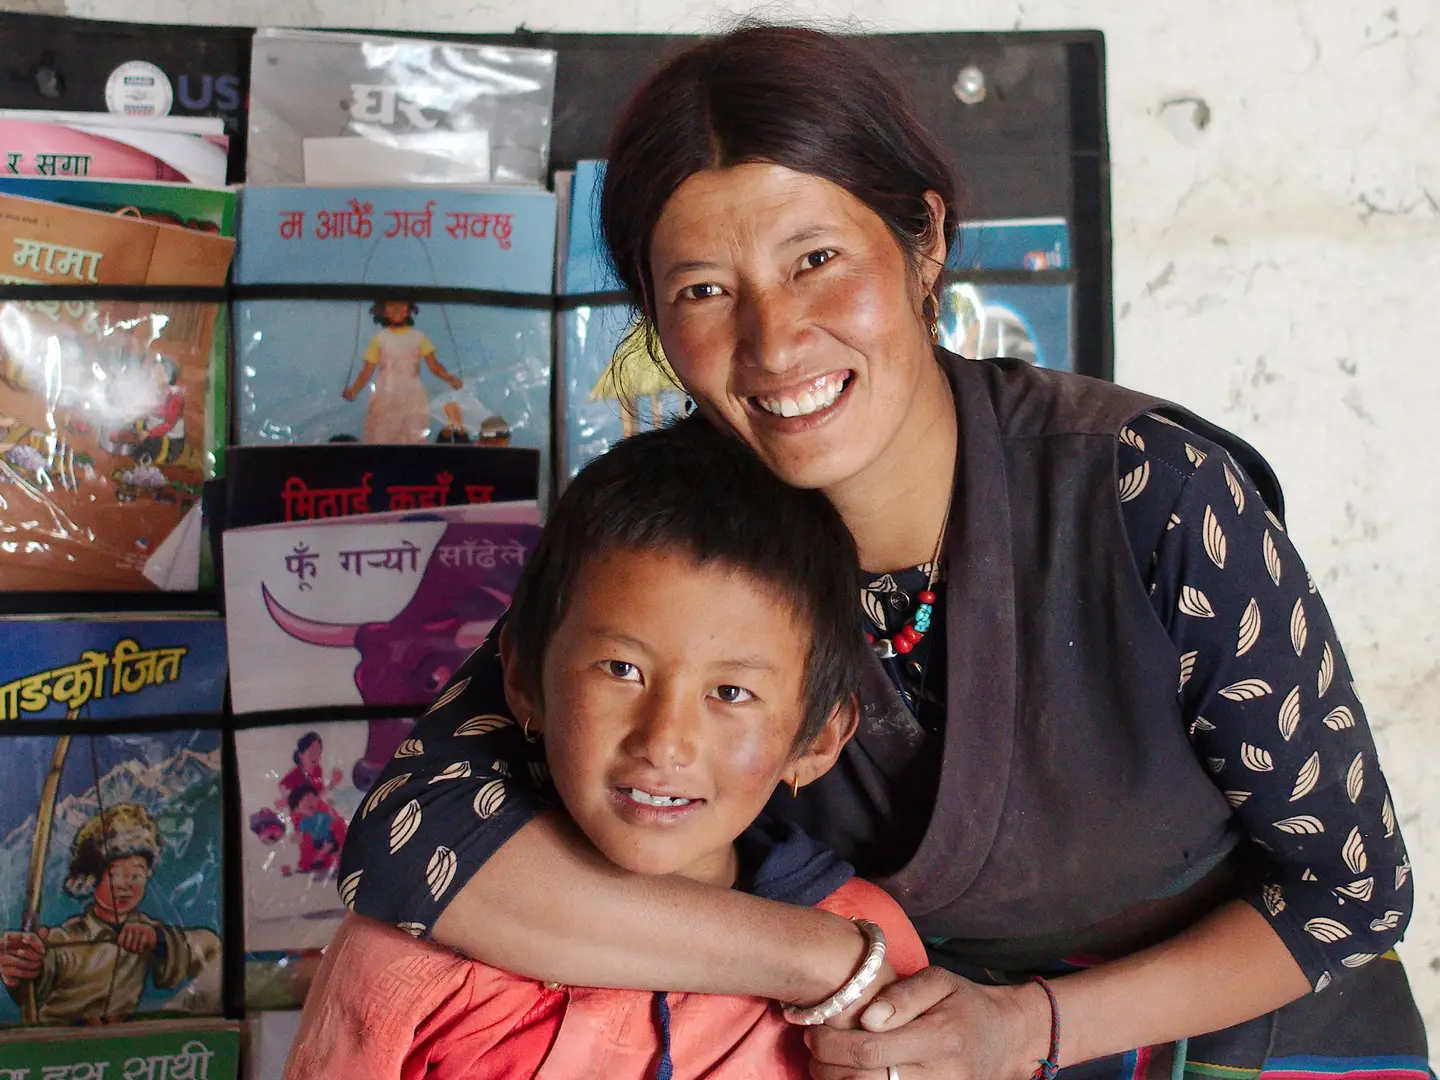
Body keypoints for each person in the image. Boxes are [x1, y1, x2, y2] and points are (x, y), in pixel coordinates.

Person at [338, 25, 1428, 1080]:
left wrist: (1025, 1030)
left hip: (1254, 1030)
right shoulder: (669, 540)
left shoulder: (1151, 492)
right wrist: (819, 957)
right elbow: (409, 843)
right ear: (657, 327)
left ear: (926, 242)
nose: (773, 340)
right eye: (704, 290)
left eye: (816, 258)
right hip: (898, 1040)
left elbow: (1354, 887)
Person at [287, 423, 927, 1079]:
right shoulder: (402, 964)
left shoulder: (873, 954)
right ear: (523, 682)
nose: (663, 741)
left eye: (731, 691)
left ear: (816, 739)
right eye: (621, 670)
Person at [0, 803, 221, 1025]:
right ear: (92, 879)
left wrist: (158, 939)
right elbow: (43, 970)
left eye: (137, 875)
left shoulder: (146, 930)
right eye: (115, 875)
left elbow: (210, 945)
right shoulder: (67, 938)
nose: (126, 885)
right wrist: (25, 964)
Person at [342, 299, 463, 443]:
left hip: (412, 394)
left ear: (410, 309)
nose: (397, 309)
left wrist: (450, 378)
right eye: (391, 304)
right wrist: (354, 390)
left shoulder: (418, 337)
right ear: (383, 310)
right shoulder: (380, 339)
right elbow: (367, 371)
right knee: (382, 434)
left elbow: (434, 366)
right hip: (386, 393)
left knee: (413, 435)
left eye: (402, 304)